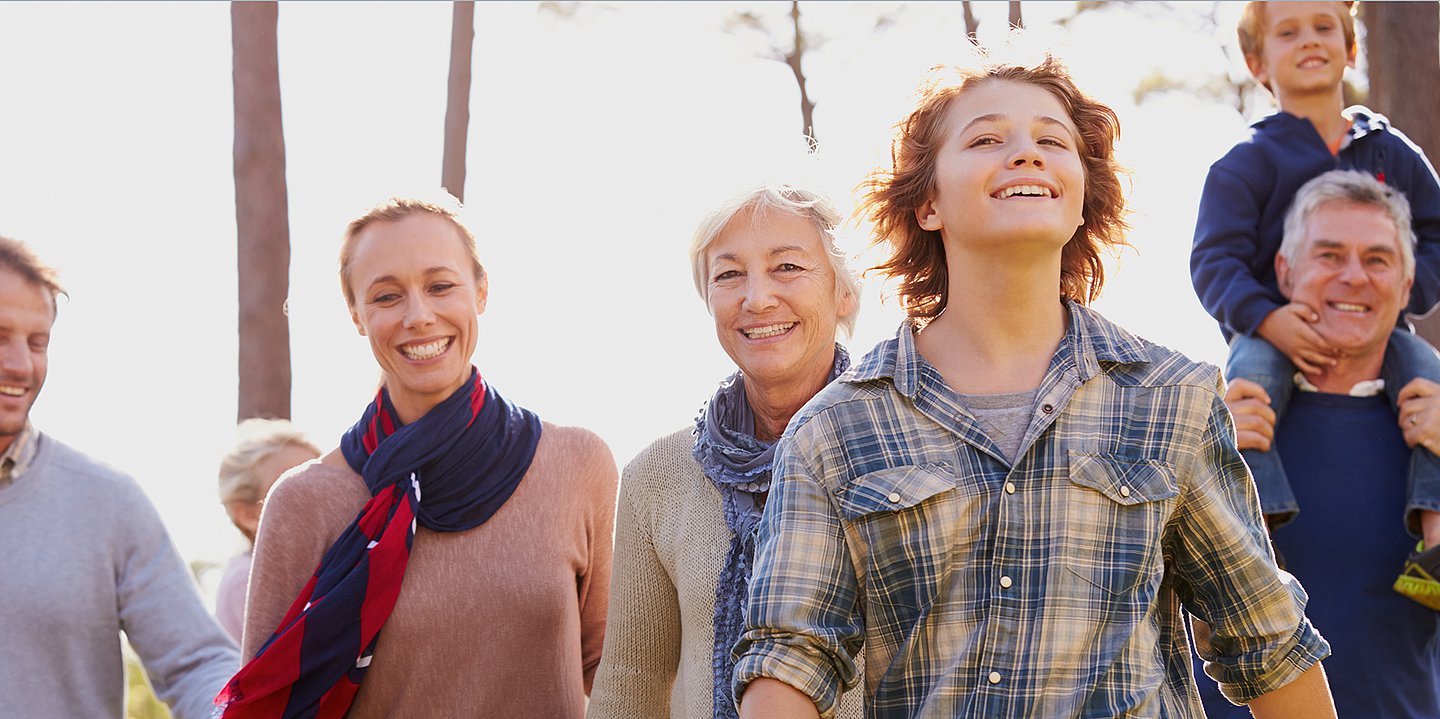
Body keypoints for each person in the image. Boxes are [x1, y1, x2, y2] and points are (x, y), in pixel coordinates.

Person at [733, 57, 1336, 718]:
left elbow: (1268, 646)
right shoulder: (834, 430)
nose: (1026, 154)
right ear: (928, 202)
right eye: (988, 139)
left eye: (1052, 141)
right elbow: (789, 658)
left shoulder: (1174, 398)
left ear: (1081, 195)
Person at [218, 197, 618, 718]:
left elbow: (616, 672)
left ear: (481, 291)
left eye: (440, 286)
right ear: (357, 315)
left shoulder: (576, 464)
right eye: (386, 296)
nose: (419, 316)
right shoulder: (304, 501)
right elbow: (268, 706)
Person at [1189, 1, 1440, 598]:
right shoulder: (1247, 163)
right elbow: (1213, 260)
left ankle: (1434, 536)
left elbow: (1434, 232)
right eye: (1289, 32)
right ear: (1257, 63)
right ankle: (1262, 532)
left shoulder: (1388, 150)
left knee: (1431, 386)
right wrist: (1269, 318)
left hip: (1385, 333)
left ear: (1352, 49)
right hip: (1272, 330)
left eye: (1326, 28)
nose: (1311, 41)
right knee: (1247, 401)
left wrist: (1405, 293)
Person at [588, 185, 864, 719]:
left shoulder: (905, 446)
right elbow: (629, 685)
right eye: (729, 274)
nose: (757, 298)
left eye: (787, 267)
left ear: (843, 291)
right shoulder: (657, 477)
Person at [1198, 169, 1440, 717]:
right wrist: (1207, 456)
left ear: (1406, 285)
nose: (1354, 277)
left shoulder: (1433, 435)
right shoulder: (1203, 415)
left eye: (1377, 259)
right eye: (1329, 255)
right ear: (1284, 272)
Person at [0, 235, 238, 718]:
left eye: (37, 342)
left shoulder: (107, 503)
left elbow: (198, 665)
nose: (21, 365)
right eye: (0, 336)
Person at [214, 418, 321, 642]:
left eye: (321, 480)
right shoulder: (244, 580)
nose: (318, 494)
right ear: (248, 514)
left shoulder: (320, 568)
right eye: (292, 486)